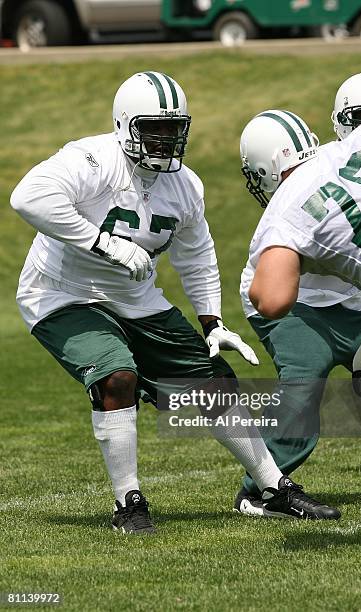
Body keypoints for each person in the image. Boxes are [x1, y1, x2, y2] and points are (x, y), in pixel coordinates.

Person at [11, 71, 340, 535]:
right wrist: (103, 243)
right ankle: (129, 501)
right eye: (154, 127)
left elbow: (198, 256)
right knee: (116, 374)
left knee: (214, 383)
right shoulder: (92, 158)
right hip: (62, 291)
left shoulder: (185, 185)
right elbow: (27, 197)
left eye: (174, 128)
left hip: (136, 298)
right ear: (126, 125)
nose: (166, 139)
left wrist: (212, 323)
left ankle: (272, 487)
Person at [235, 72, 361, 517]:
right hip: (306, 310)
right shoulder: (356, 150)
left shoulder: (294, 200)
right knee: (304, 384)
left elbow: (268, 291)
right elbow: (271, 301)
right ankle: (263, 489)